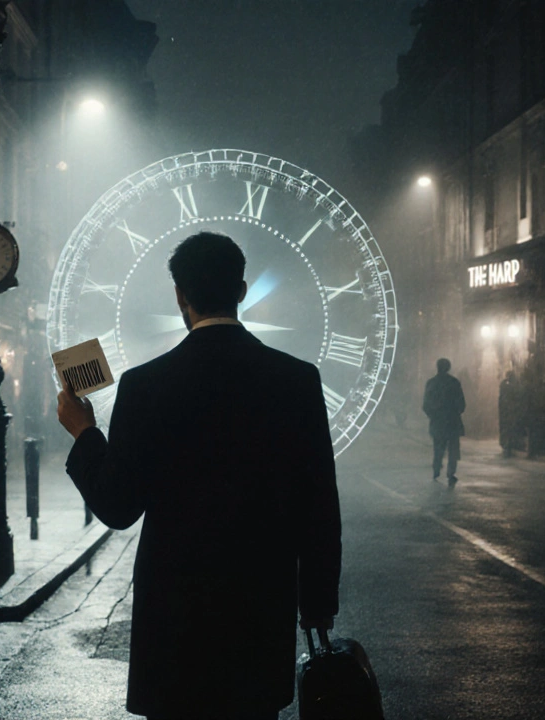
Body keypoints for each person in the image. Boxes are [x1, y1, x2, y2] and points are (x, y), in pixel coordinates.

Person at [55, 231, 341, 720]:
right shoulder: (296, 380)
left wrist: (84, 433)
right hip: (259, 613)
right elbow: (318, 508)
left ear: (179, 295)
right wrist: (317, 605)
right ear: (242, 290)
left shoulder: (144, 386)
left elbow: (119, 507)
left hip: (174, 625)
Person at [422, 357, 466, 486]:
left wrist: (433, 415)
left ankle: (436, 469)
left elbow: (426, 404)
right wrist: (455, 412)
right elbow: (461, 403)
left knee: (438, 447)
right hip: (452, 422)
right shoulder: (454, 383)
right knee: (453, 449)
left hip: (438, 422)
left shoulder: (431, 383)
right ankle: (451, 472)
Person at [498, 370, 524, 458]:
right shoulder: (512, 386)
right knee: (509, 428)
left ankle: (507, 444)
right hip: (510, 411)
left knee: (507, 429)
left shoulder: (505, 385)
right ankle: (508, 444)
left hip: (507, 412)